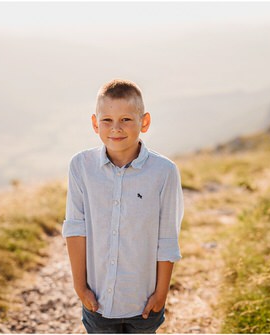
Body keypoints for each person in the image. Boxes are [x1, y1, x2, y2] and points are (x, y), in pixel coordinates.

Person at [63, 79, 183, 333]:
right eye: (106, 120)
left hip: (143, 303)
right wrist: (80, 287)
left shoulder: (164, 172)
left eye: (126, 119)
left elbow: (167, 238)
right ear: (95, 123)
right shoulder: (81, 167)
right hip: (98, 302)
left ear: (144, 122)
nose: (116, 128)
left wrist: (161, 295)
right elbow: (75, 228)